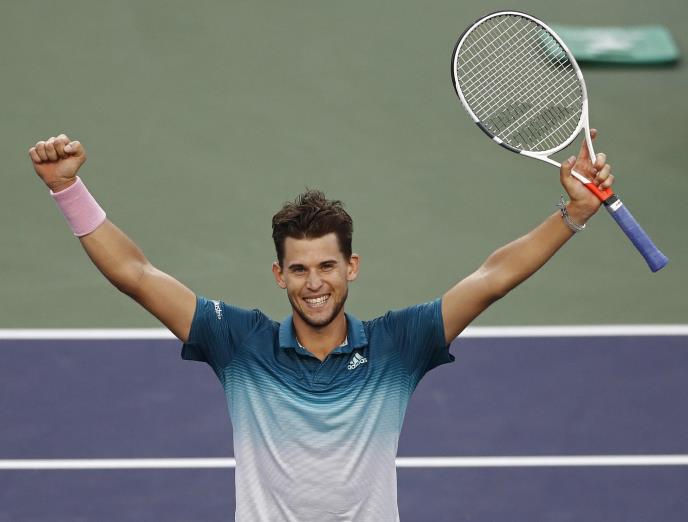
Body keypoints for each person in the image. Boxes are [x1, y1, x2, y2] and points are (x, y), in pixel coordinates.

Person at [29, 132, 613, 521]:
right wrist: (67, 189)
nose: (315, 283)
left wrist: (574, 213)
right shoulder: (239, 343)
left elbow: (491, 278)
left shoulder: (398, 345)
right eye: (300, 269)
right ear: (279, 274)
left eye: (327, 266)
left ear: (351, 267)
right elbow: (136, 275)